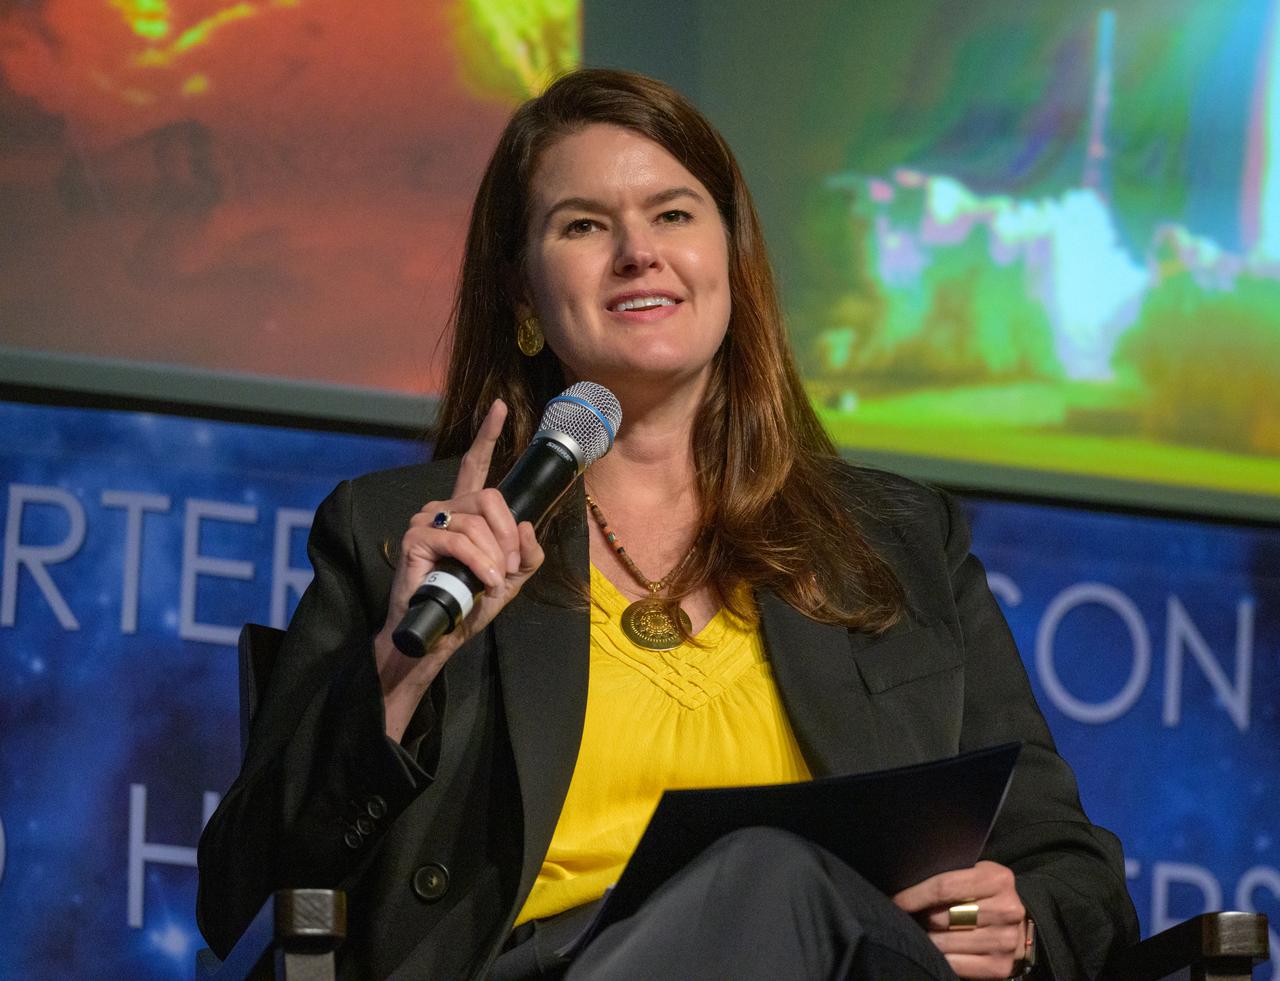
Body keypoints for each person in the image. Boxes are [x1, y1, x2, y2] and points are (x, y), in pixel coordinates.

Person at [197, 68, 1138, 979]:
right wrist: (404, 669)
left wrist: (1011, 933)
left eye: (674, 213)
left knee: (787, 885)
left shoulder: (893, 540)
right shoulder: (410, 532)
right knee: (772, 870)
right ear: (524, 297)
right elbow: (244, 883)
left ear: (730, 260)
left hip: (843, 956)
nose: (638, 251)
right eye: (583, 225)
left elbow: (1076, 879)